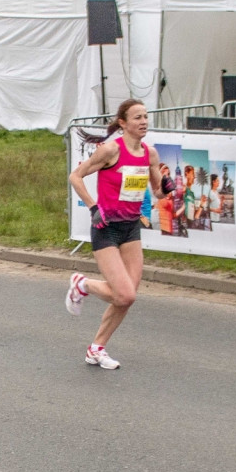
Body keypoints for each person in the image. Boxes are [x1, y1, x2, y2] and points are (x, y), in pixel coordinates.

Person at [65, 99, 173, 369]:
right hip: (106, 228)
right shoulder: (111, 150)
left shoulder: (150, 154)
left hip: (130, 228)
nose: (144, 122)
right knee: (125, 295)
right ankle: (82, 285)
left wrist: (167, 188)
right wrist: (93, 207)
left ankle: (96, 348)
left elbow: (157, 192)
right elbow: (75, 176)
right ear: (123, 123)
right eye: (137, 117)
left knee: (125, 297)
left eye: (146, 117)